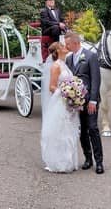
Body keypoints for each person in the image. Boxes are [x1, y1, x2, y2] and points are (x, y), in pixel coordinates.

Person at [64, 32, 104, 174]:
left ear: (75, 43)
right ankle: (88, 159)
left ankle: (99, 162)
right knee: (82, 132)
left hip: (90, 100)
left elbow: (96, 79)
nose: (66, 46)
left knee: (93, 129)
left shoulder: (90, 56)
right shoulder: (68, 59)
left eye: (67, 44)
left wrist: (93, 100)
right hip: (77, 101)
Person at [40, 42, 80, 173]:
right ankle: (60, 163)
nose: (65, 48)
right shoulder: (56, 66)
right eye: (62, 47)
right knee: (61, 132)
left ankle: (69, 161)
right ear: (57, 51)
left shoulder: (65, 65)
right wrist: (66, 92)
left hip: (69, 104)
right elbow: (51, 87)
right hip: (60, 103)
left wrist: (74, 92)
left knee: (69, 132)